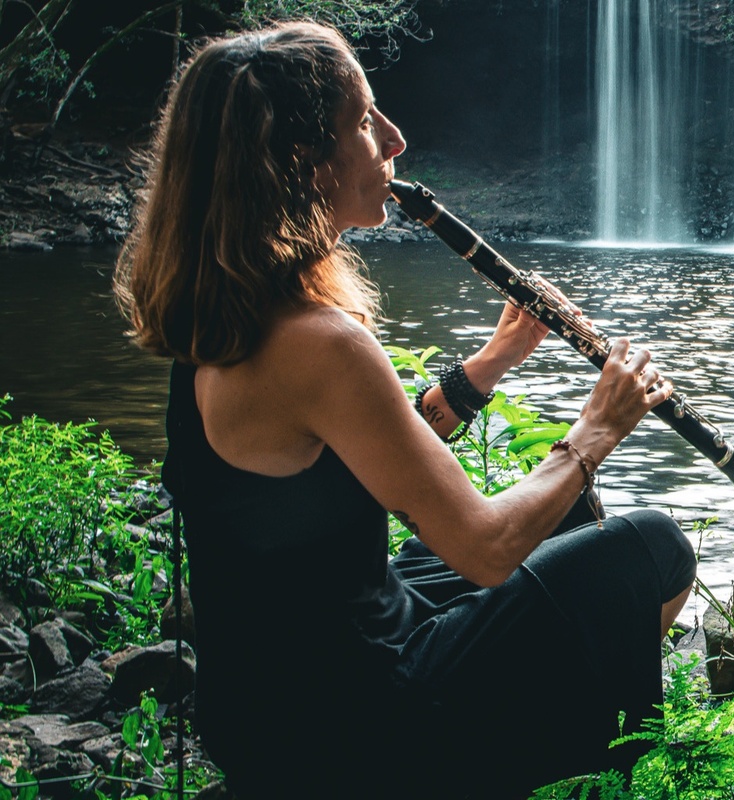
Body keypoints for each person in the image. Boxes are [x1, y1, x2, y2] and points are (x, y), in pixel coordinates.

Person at [112, 22, 696, 799]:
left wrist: (485, 370)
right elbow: (484, 550)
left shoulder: (223, 310)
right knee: (651, 548)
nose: (394, 137)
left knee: (566, 517)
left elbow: (354, 454)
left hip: (274, 702)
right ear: (299, 162)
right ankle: (544, 768)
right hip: (352, 724)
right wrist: (596, 428)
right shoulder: (318, 342)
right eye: (363, 121)